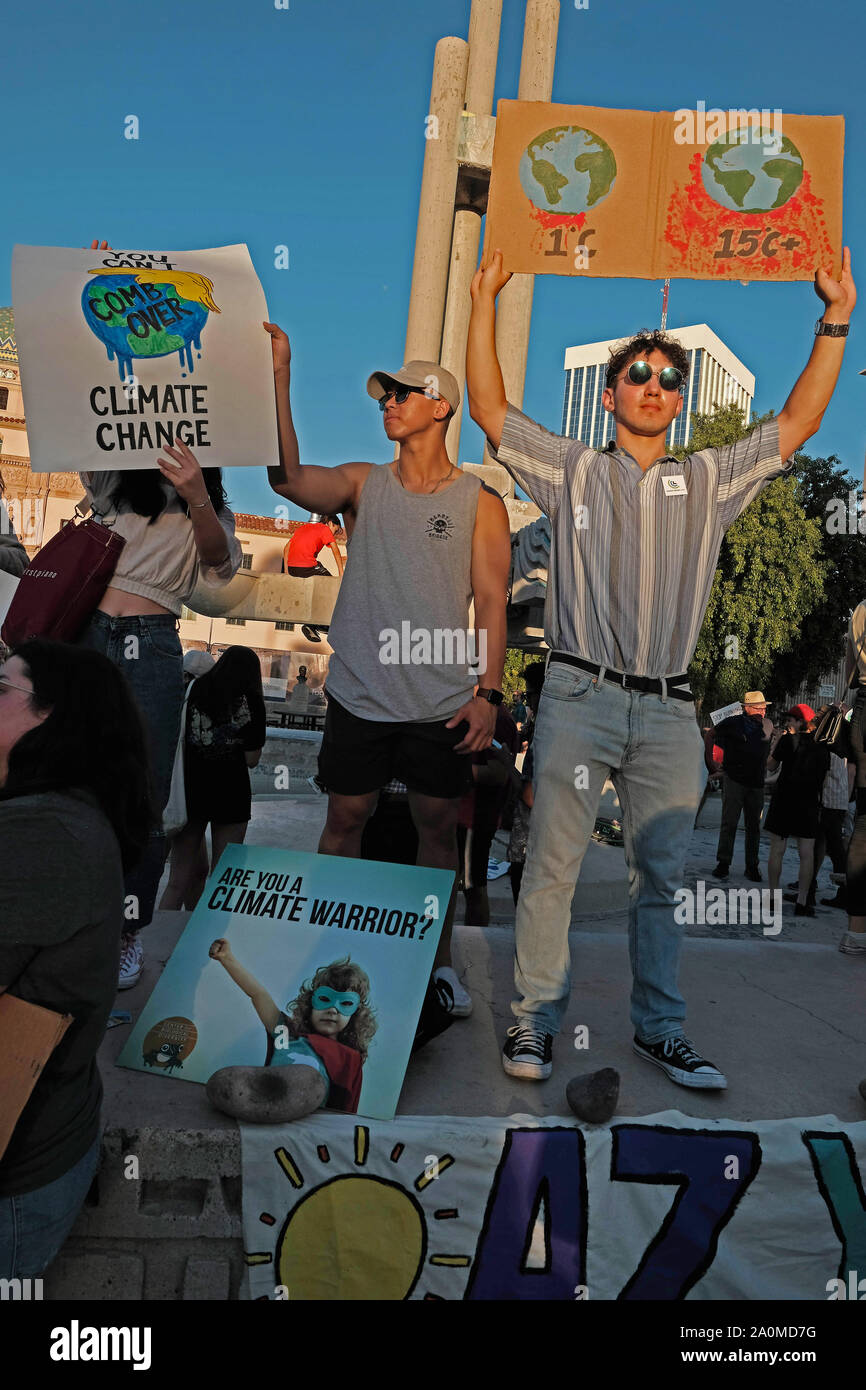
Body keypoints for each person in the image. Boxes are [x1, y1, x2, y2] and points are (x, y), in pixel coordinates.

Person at [466, 244, 855, 1089]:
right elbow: (490, 409)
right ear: (611, 395)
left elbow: (799, 424)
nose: (654, 385)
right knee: (554, 869)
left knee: (663, 880)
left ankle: (659, 1028)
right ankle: (533, 1024)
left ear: (680, 402)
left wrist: (834, 317)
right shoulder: (571, 470)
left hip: (672, 709)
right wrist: (485, 295)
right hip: (577, 692)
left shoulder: (713, 478)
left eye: (669, 379)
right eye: (638, 373)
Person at [265, 322, 512, 1022]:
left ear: (441, 407)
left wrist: (488, 695)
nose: (389, 402)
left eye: (404, 393)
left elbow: (492, 602)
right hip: (360, 691)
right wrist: (281, 378)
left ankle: (437, 967)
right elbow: (285, 480)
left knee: (438, 830)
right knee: (346, 816)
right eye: (386, 395)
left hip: (439, 699)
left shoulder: (480, 503)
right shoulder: (362, 484)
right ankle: (325, 947)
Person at [0, 641, 153, 1277]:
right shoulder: (51, 816)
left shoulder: (43, 836)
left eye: (1, 688)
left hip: (18, 1168)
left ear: (51, 716)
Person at [78, 439, 242, 986]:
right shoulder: (117, 479)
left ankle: (126, 933)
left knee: (144, 797)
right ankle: (67, 918)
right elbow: (80, 434)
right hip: (89, 632)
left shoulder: (213, 506)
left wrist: (196, 495)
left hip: (153, 642)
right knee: (71, 782)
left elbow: (219, 565)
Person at [206, 947, 376, 1117]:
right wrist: (227, 958)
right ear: (311, 1003)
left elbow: (345, 1109)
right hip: (267, 1094)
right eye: (325, 999)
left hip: (307, 1108)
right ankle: (256, 1102)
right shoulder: (286, 1034)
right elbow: (258, 994)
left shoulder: (347, 1059)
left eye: (345, 1004)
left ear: (355, 1014)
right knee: (224, 1081)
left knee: (308, 1080)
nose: (332, 1009)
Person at [158, 647, 266, 910]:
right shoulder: (250, 700)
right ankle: (207, 942)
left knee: (177, 880)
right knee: (223, 880)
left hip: (191, 791)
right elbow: (252, 760)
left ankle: (156, 942)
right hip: (232, 795)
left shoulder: (195, 689)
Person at [456, 704, 519, 926]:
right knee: (466, 885)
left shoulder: (497, 719)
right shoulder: (492, 715)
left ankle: (473, 943)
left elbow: (498, 772)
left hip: (474, 817)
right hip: (468, 816)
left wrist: (448, 770)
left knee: (472, 887)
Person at [765, 706, 830, 916]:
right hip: (809, 802)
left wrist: (774, 743)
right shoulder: (822, 746)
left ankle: (773, 898)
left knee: (777, 850)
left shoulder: (787, 741)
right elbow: (824, 777)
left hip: (784, 799)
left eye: (792, 719)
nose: (788, 723)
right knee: (806, 853)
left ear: (801, 721)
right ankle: (802, 901)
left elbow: (771, 766)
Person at [711, 691, 774, 881]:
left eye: (764, 707)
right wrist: (711, 762)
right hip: (734, 780)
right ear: (747, 708)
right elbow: (711, 734)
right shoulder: (733, 722)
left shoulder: (768, 725)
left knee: (753, 826)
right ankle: (723, 863)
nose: (762, 711)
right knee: (729, 822)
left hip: (756, 783)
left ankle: (752, 865)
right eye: (758, 707)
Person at [841, 602, 866, 954]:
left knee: (863, 826)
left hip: (863, 709)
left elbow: (849, 675)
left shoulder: (861, 608)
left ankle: (856, 933)